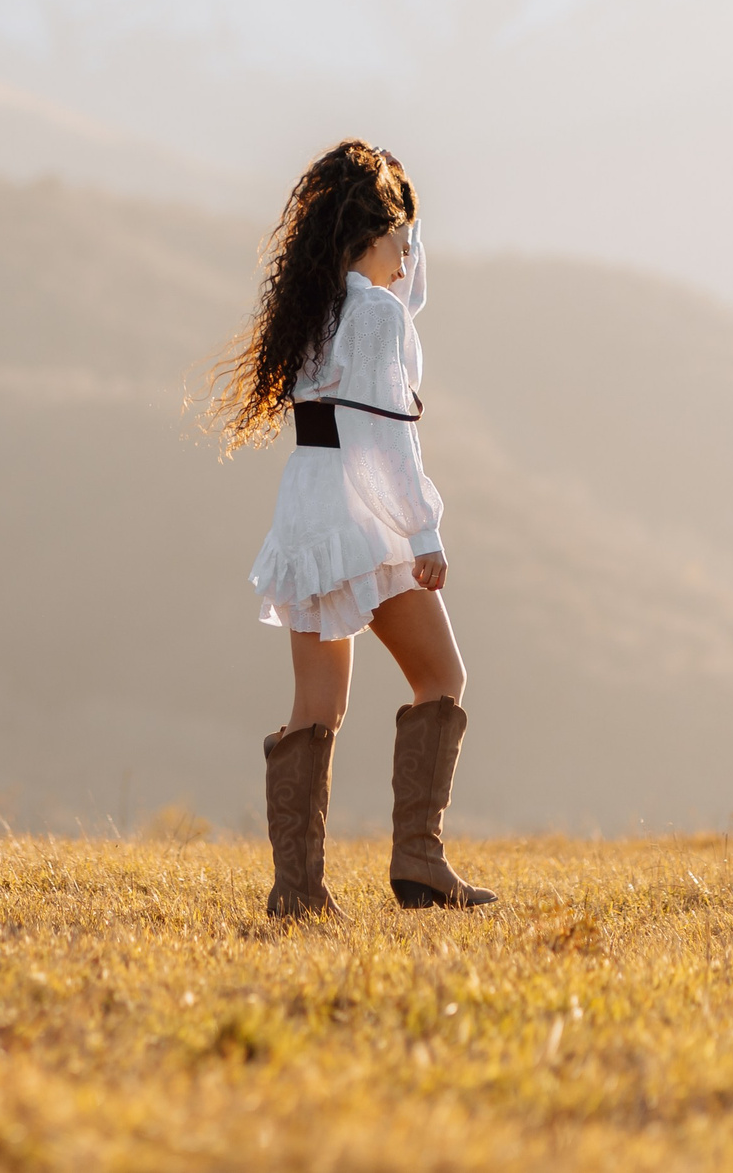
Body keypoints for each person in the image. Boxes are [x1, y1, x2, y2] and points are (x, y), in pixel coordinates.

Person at [210, 141, 495, 917]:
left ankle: (298, 890)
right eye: (404, 238)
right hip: (362, 510)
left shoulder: (317, 308)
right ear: (372, 233)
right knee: (442, 676)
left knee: (317, 705)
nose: (410, 259)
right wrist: (423, 530)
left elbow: (405, 304)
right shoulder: (371, 314)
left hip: (307, 505)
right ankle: (419, 859)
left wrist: (405, 232)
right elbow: (387, 439)